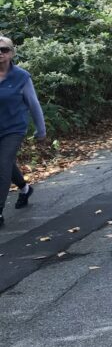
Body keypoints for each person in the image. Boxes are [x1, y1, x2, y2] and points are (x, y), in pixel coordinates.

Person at [0, 36, 46, 227]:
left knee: (2, 165)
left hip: (14, 128)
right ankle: (25, 189)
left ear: (11, 53)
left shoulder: (21, 77)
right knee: (6, 164)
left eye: (4, 50)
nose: (0, 54)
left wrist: (41, 130)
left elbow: (33, 104)